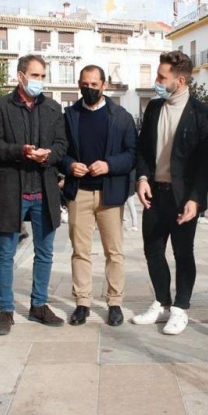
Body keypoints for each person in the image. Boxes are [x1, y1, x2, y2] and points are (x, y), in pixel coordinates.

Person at [131, 51, 208, 334]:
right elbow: (143, 149)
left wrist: (196, 199)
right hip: (154, 193)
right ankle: (161, 302)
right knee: (152, 250)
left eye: (161, 77)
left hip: (183, 198)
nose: (156, 81)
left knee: (183, 252)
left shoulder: (201, 113)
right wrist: (142, 178)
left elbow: (206, 162)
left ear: (179, 81)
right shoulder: (154, 108)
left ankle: (181, 308)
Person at [0, 54, 68, 335]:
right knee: (5, 253)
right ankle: (6, 310)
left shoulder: (54, 108)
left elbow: (61, 145)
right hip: (11, 190)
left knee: (45, 253)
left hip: (44, 190)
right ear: (20, 76)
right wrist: (20, 150)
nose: (39, 81)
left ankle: (39, 306)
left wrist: (48, 155)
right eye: (35, 75)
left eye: (43, 76)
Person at [61, 65, 137, 326]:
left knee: (114, 252)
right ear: (79, 84)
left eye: (94, 84)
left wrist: (109, 165)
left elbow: (131, 154)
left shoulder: (121, 117)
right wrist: (70, 164)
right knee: (79, 251)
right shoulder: (70, 115)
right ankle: (82, 302)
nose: (89, 88)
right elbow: (61, 151)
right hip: (79, 192)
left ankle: (114, 302)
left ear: (104, 85)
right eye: (85, 83)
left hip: (109, 194)